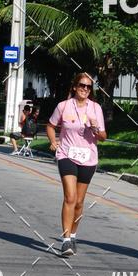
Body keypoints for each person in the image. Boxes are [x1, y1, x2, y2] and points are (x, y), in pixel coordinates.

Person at [47, 72, 107, 257]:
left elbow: (104, 138)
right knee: (70, 198)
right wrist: (53, 140)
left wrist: (95, 128)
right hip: (67, 155)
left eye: (89, 87)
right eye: (82, 85)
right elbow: (50, 125)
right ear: (74, 87)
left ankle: (73, 235)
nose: (85, 89)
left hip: (88, 157)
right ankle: (65, 241)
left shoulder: (96, 108)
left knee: (80, 203)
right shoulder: (63, 106)